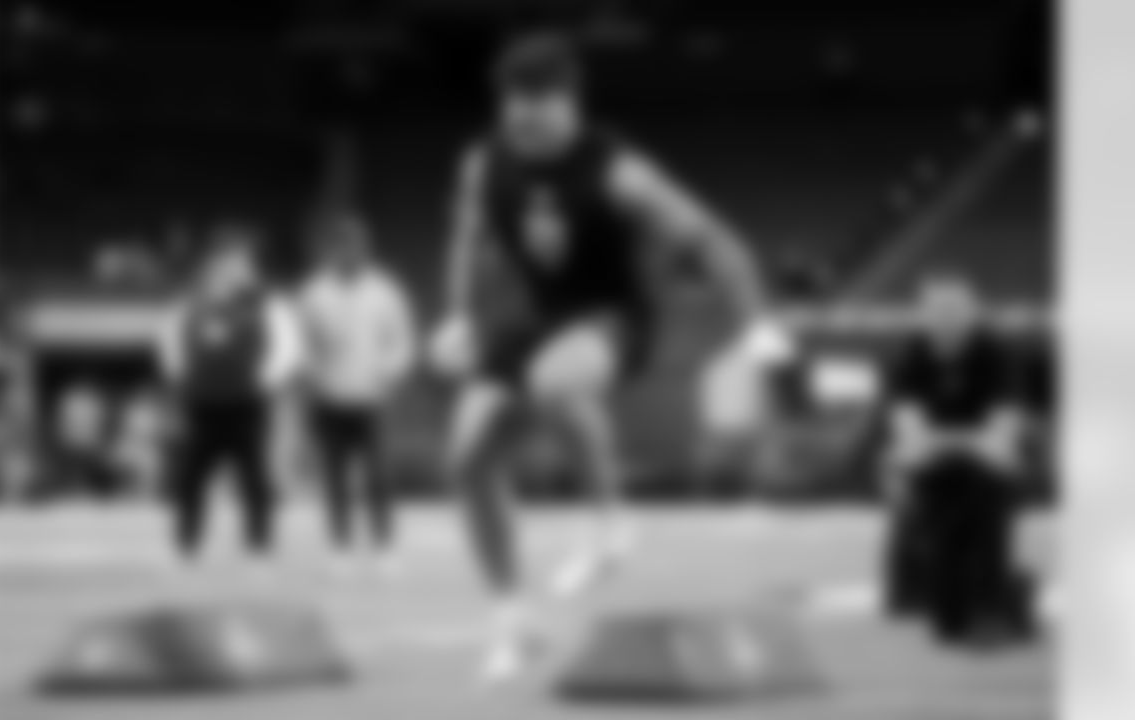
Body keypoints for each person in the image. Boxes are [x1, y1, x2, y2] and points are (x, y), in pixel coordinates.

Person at [427, 31, 779, 679]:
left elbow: (713, 241)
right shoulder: (483, 163)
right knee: (467, 461)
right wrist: (455, 315)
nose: (523, 121)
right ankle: (513, 616)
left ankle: (611, 523)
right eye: (513, 105)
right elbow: (465, 236)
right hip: (535, 318)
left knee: (555, 383)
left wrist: (756, 323)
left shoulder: (621, 174)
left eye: (538, 106)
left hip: (617, 317)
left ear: (571, 103)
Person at [881, 274, 1035, 645]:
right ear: (922, 316)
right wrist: (955, 443)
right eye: (936, 311)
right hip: (939, 461)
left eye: (955, 310)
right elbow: (909, 434)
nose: (946, 320)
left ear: (973, 314)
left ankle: (992, 603)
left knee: (989, 487)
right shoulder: (908, 359)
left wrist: (950, 442)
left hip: (989, 461)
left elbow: (1003, 432)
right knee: (923, 495)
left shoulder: (997, 355)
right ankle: (926, 597)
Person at [158, 225, 302, 565]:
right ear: (212, 267)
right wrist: (183, 378)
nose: (231, 271)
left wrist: (265, 381)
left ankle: (259, 543)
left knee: (254, 475)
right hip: (203, 403)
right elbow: (170, 342)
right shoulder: (191, 305)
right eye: (224, 264)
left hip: (247, 403)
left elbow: (287, 347)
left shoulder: (266, 306)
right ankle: (186, 542)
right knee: (192, 475)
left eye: (239, 264)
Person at [295, 216, 416, 576]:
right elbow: (303, 343)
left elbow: (402, 341)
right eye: (343, 246)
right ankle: (340, 547)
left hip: (372, 398)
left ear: (366, 249)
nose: (351, 252)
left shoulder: (385, 291)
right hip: (329, 397)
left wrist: (389, 374)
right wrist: (312, 375)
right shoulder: (314, 292)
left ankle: (385, 547)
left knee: (378, 475)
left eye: (358, 246)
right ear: (332, 251)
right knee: (334, 477)